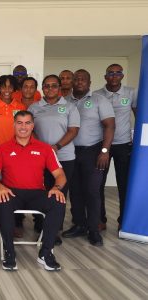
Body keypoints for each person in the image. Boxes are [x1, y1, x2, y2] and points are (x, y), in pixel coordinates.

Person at [0, 111, 66, 271]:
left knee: (58, 202)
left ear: (33, 125)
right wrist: (0, 186)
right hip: (12, 192)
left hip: (37, 193)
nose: (23, 127)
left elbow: (60, 175)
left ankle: (46, 253)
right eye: (19, 123)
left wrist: (56, 188)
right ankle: (9, 252)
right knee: (2, 201)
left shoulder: (45, 148)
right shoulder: (2, 149)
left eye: (27, 123)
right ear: (14, 125)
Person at [62, 69, 115, 246]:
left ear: (89, 82)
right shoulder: (66, 101)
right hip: (70, 153)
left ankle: (93, 229)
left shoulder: (100, 100)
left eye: (83, 79)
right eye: (76, 79)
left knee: (92, 191)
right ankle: (79, 224)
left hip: (93, 152)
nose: (78, 82)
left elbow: (110, 126)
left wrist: (105, 151)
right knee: (75, 191)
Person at [28, 75, 80, 245]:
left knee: (59, 194)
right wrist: (43, 148)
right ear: (42, 88)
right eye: (46, 86)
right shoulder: (35, 107)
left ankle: (54, 230)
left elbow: (73, 131)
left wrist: (55, 147)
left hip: (64, 157)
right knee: (41, 192)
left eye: (53, 86)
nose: (50, 89)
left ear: (59, 88)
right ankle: (41, 226)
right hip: (40, 158)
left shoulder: (70, 107)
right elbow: (29, 130)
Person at [94, 64, 137, 230]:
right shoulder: (97, 95)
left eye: (117, 73)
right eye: (110, 73)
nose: (114, 76)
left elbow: (138, 115)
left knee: (124, 184)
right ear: (105, 77)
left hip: (123, 144)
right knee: (98, 183)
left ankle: (123, 221)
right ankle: (100, 219)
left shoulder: (131, 93)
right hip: (102, 144)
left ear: (122, 76)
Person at [0, 75, 25, 236]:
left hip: (17, 153)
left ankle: (16, 223)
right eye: (3, 86)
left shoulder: (20, 106)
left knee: (16, 187)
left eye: (10, 86)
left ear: (14, 89)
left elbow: (23, 130)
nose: (6, 90)